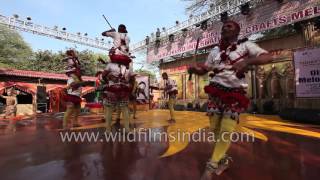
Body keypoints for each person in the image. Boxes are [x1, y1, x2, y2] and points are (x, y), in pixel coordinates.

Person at [188, 20, 273, 175]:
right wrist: (195, 70)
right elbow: (205, 69)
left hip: (235, 92)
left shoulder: (245, 45)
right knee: (214, 129)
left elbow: (268, 57)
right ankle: (224, 159)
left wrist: (247, 61)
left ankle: (211, 166)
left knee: (226, 129)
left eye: (230, 26)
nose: (225, 28)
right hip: (215, 91)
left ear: (237, 31)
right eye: (224, 26)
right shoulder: (214, 51)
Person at [100, 24, 135, 133]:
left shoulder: (110, 65)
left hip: (112, 90)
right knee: (125, 109)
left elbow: (103, 34)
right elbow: (131, 78)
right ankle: (127, 129)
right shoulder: (128, 66)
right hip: (124, 89)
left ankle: (108, 130)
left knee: (110, 110)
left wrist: (110, 31)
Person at [62, 50, 89, 129]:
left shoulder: (78, 76)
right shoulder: (72, 75)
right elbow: (73, 84)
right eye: (73, 53)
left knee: (77, 110)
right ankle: (64, 125)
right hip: (71, 95)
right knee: (70, 110)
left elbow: (78, 66)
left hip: (77, 95)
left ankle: (75, 123)